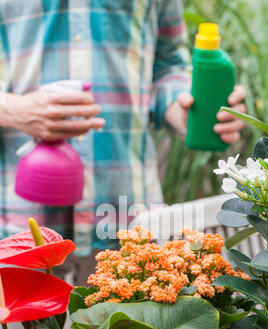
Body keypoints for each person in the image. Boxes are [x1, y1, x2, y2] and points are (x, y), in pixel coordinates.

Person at [0, 1, 246, 282]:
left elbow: (166, 66)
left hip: (129, 219)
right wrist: (11, 109)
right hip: (18, 230)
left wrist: (185, 110)